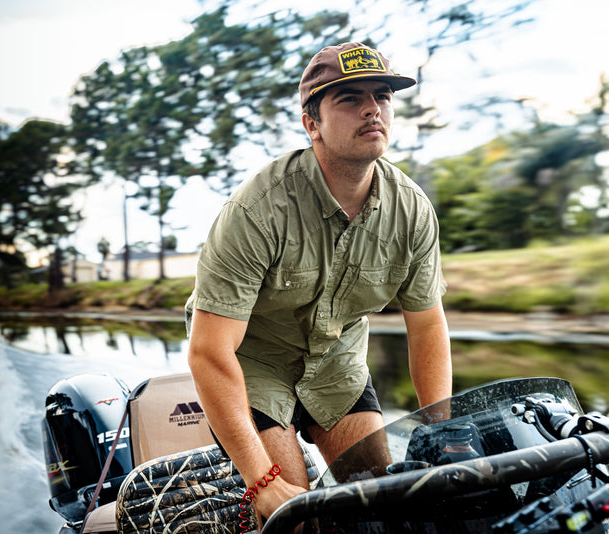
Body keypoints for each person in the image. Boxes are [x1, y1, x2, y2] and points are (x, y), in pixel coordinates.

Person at [185, 41, 452, 523]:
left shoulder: (411, 210)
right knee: (294, 515)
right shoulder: (257, 210)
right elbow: (209, 351)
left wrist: (444, 433)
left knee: (384, 506)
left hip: (338, 363)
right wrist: (260, 483)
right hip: (255, 366)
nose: (372, 108)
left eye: (382, 96)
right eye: (349, 98)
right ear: (312, 124)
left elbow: (428, 326)